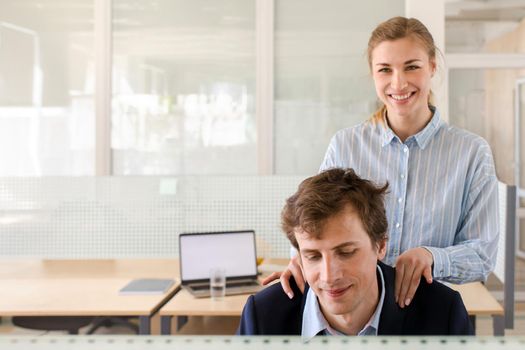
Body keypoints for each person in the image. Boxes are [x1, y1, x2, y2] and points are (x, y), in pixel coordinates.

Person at [264, 16, 499, 308]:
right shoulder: (346, 145)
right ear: (373, 75)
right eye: (385, 69)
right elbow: (312, 220)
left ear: (433, 67)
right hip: (352, 313)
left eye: (412, 66)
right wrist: (300, 261)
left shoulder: (472, 153)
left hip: (429, 313)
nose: (398, 83)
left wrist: (433, 256)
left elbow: (482, 255)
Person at [238, 168, 473, 337]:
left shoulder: (442, 314)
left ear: (380, 246)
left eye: (346, 252)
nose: (329, 276)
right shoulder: (263, 318)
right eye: (313, 256)